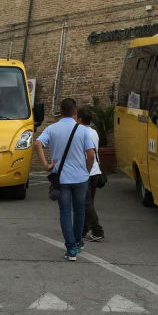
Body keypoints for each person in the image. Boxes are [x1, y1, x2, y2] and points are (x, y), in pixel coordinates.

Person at [34, 97, 95, 261]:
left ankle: (71, 248)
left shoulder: (52, 128)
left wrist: (46, 164)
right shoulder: (82, 130)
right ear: (75, 112)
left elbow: (37, 144)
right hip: (80, 178)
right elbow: (90, 154)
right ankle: (78, 242)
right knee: (80, 210)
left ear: (60, 111)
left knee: (65, 212)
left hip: (61, 178)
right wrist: (87, 170)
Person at [77, 107, 105, 242]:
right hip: (95, 172)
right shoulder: (94, 132)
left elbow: (88, 154)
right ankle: (83, 229)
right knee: (89, 203)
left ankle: (97, 230)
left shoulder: (81, 132)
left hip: (86, 171)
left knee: (85, 203)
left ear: (80, 119)